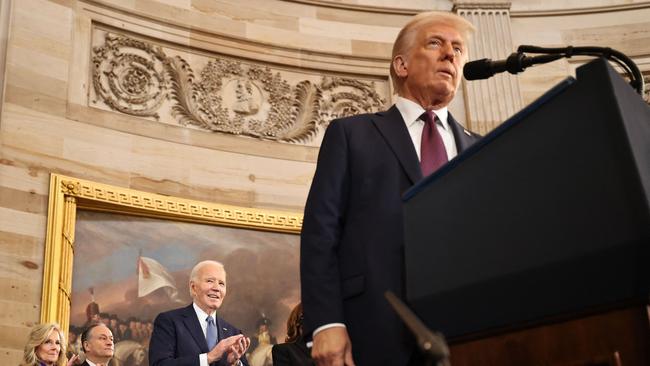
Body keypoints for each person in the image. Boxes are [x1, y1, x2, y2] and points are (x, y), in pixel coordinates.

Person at [300, 11, 481, 366]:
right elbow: (321, 233)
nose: (450, 54)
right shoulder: (352, 135)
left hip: (470, 331)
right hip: (373, 329)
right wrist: (326, 322)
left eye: (458, 49)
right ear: (401, 64)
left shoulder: (482, 149)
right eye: (436, 43)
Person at [149, 260, 250, 366]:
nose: (216, 288)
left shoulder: (233, 333)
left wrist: (234, 364)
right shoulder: (169, 322)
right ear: (193, 288)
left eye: (221, 283)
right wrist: (209, 358)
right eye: (210, 281)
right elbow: (159, 364)